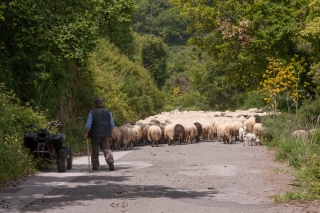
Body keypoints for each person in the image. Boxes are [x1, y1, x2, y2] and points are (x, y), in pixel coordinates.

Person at [84, 98, 115, 171]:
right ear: (102, 104)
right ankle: (110, 160)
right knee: (106, 148)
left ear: (95, 104)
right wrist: (111, 132)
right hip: (105, 134)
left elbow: (88, 125)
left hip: (95, 135)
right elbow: (112, 124)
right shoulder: (108, 112)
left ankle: (95, 165)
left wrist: (86, 133)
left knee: (95, 150)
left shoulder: (92, 113)